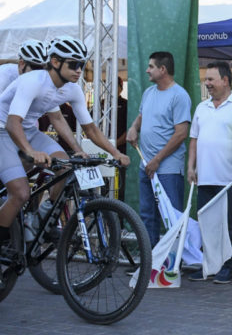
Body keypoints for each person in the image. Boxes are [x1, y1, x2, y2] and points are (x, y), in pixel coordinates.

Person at [0, 37, 129, 262]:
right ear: (55, 62)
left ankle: (42, 219)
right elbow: (12, 124)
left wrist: (115, 152)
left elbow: (90, 128)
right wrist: (30, 151)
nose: (79, 70)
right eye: (74, 64)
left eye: (82, 65)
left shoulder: (71, 90)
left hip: (28, 130)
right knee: (20, 193)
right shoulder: (33, 81)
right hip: (3, 130)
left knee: (65, 166)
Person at [126, 51, 191, 247]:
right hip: (146, 165)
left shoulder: (179, 95)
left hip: (168, 169)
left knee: (171, 217)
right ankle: (150, 260)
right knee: (147, 216)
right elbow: (141, 117)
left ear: (163, 69)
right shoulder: (148, 92)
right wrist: (133, 128)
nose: (147, 70)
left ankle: (174, 262)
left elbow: (181, 133)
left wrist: (157, 159)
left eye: (151, 67)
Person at [187, 61, 232, 284]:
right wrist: (191, 167)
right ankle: (210, 265)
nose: (207, 83)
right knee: (207, 225)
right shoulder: (202, 107)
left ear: (225, 80)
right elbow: (194, 139)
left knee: (230, 227)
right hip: (205, 178)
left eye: (211, 79)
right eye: (206, 79)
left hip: (228, 179)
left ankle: (230, 265)